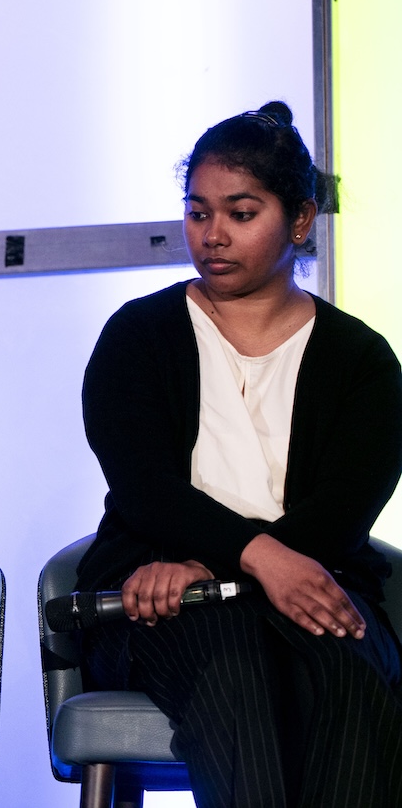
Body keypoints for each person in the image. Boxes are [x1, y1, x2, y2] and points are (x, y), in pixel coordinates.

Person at [77, 101, 402, 807]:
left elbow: (345, 509)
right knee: (231, 661)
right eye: (198, 212)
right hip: (160, 595)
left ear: (302, 220)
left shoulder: (362, 360)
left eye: (241, 213)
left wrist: (232, 564)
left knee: (349, 675)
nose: (212, 235)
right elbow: (145, 491)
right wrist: (246, 564)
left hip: (316, 580)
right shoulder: (138, 336)